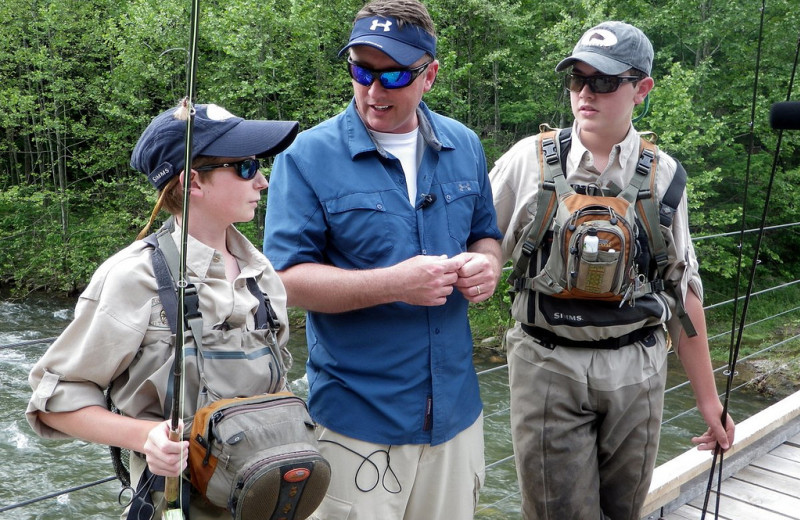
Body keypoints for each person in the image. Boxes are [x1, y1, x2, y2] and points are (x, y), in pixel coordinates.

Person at [262, 1, 503, 518]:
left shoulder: (465, 146)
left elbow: (487, 236)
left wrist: (489, 267)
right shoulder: (305, 157)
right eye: (361, 71)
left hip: (456, 417)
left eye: (393, 74)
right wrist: (395, 284)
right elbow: (284, 281)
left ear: (429, 75)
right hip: (355, 424)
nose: (374, 91)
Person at [489, 21, 736, 520]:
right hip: (545, 364)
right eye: (576, 80)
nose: (585, 93)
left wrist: (709, 402)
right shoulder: (526, 162)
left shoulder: (664, 176)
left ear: (641, 88)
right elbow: (479, 249)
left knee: (624, 510)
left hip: (638, 369)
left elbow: (683, 290)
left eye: (603, 81)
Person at [27, 100, 299, 519]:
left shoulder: (264, 276)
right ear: (193, 182)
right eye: (246, 167)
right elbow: (53, 400)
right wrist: (146, 435)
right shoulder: (131, 278)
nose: (262, 181)